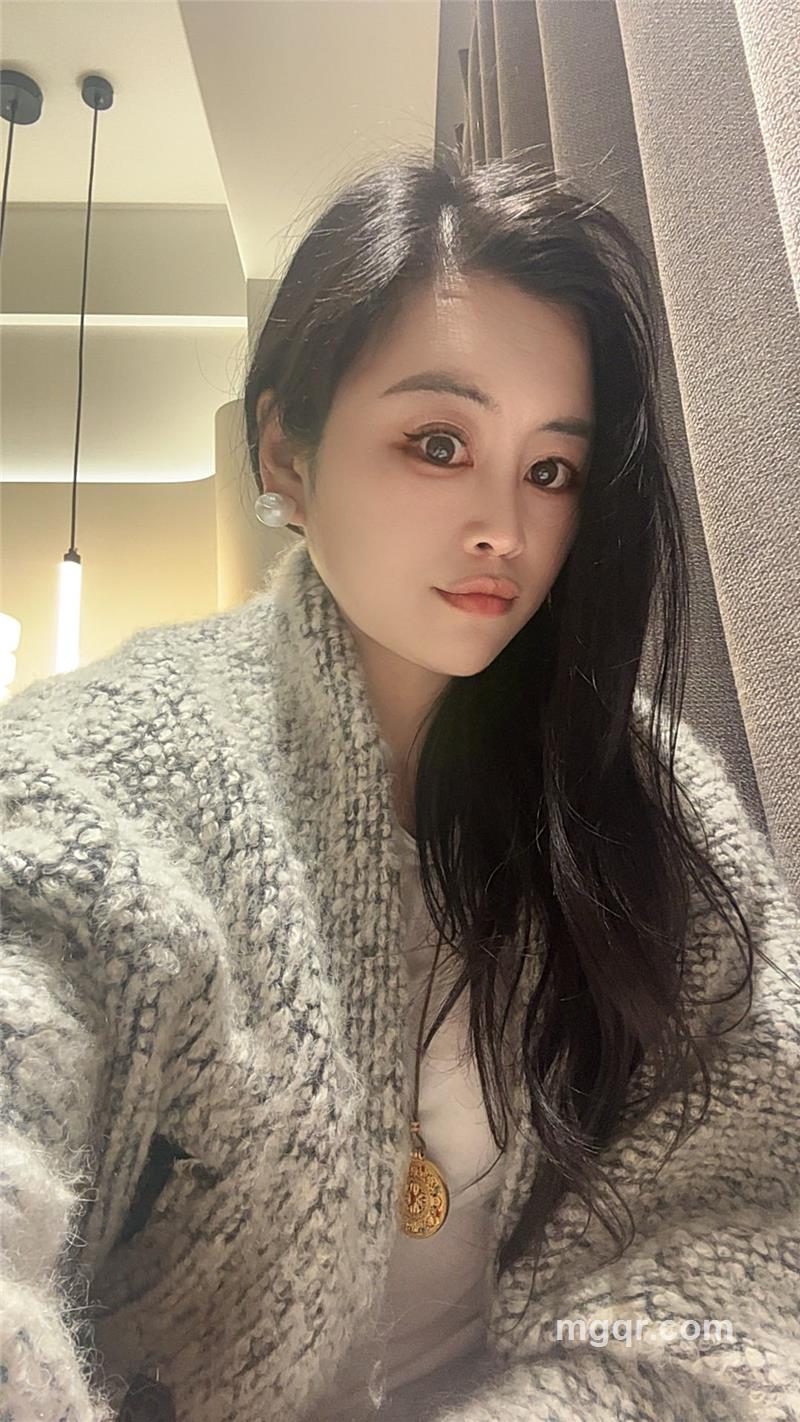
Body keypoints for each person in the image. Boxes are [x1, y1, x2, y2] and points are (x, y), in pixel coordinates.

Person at [1, 152, 798, 1422]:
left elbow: (748, 1225)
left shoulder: (643, 799)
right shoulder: (93, 781)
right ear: (285, 452)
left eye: (550, 469)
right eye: (438, 443)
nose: (505, 528)